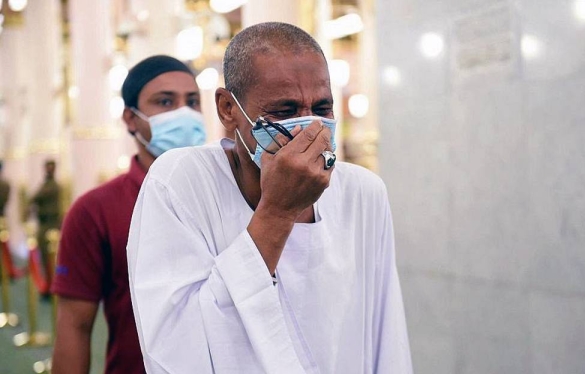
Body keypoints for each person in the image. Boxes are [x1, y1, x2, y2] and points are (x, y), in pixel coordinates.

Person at [127, 22, 413, 374]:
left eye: (322, 108)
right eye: (284, 111)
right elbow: (177, 351)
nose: (309, 129)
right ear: (228, 109)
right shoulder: (180, 183)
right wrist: (277, 210)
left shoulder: (362, 192)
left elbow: (387, 337)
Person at [51, 55, 207, 374]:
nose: (184, 113)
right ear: (131, 119)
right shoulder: (95, 210)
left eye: (192, 102)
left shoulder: (229, 192)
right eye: (165, 101)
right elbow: (75, 327)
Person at [31, 159, 61, 283]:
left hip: (51, 224)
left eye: (51, 167)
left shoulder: (53, 186)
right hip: (43, 223)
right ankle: (47, 283)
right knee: (43, 257)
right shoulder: (45, 184)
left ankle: (53, 283)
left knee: (52, 258)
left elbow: (36, 197)